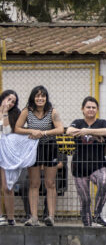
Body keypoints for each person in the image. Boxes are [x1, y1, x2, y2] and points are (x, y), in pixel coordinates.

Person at [15, 85, 64, 226]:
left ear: (46, 98)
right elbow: (17, 128)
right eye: (37, 96)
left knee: (50, 183)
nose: (40, 98)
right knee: (34, 183)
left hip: (50, 147)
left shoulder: (52, 111)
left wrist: (43, 133)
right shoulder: (27, 111)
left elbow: (60, 128)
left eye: (43, 96)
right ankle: (34, 217)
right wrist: (31, 130)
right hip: (33, 148)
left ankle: (51, 217)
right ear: (33, 97)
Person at [66, 96, 106, 227]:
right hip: (79, 166)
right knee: (85, 199)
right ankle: (87, 227)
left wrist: (88, 131)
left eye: (93, 107)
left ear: (97, 109)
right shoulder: (78, 122)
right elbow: (69, 131)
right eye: (88, 107)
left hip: (98, 165)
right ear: (82, 109)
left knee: (104, 183)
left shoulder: (102, 122)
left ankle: (97, 215)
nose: (91, 110)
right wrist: (95, 135)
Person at [0, 90, 22, 225]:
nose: (11, 103)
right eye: (9, 99)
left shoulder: (14, 114)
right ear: (3, 98)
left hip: (6, 153)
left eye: (13, 101)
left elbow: (7, 131)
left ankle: (10, 217)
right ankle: (0, 216)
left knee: (7, 186)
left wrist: (5, 112)